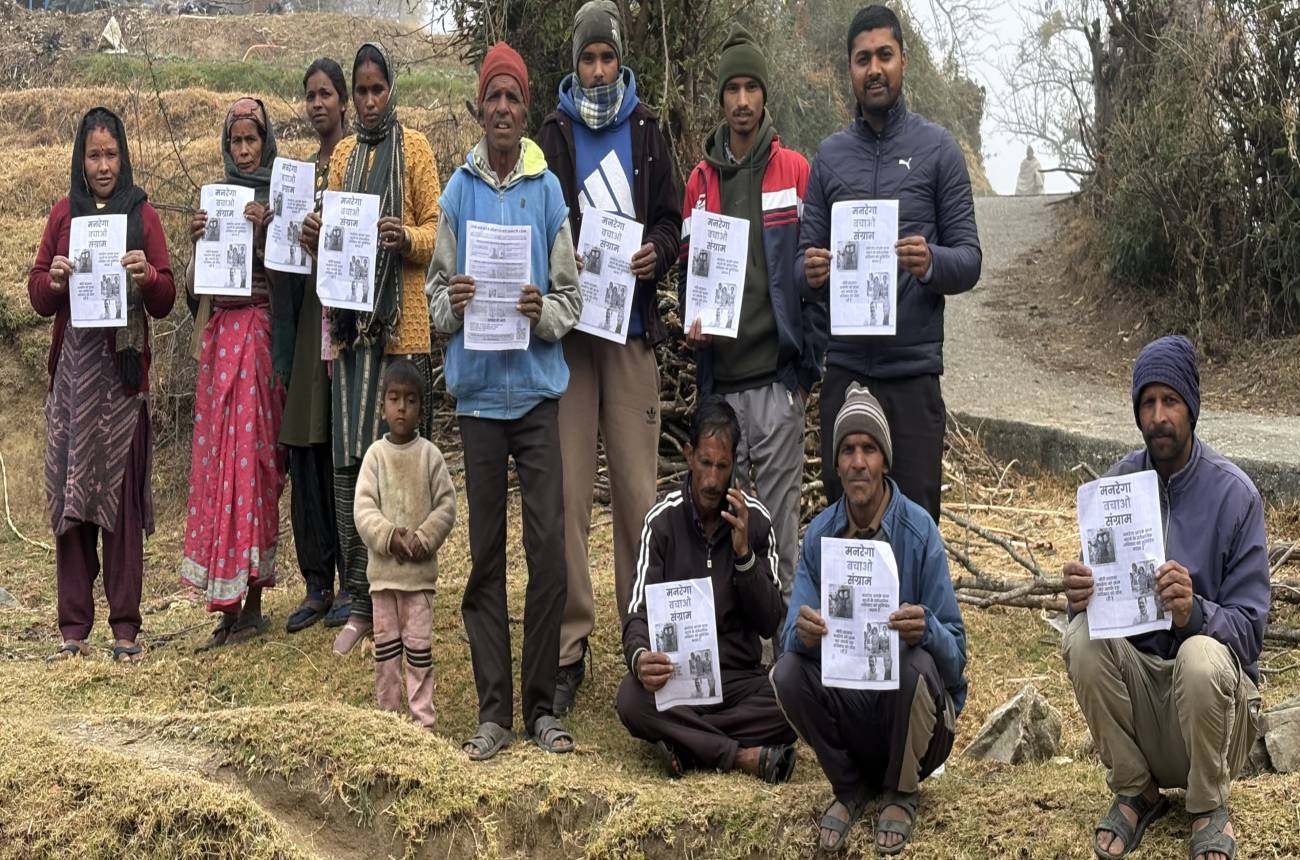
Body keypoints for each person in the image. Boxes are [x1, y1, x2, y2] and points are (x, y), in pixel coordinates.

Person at [427, 42, 583, 760]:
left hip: (538, 397)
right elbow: (434, 299)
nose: (501, 109)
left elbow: (570, 299)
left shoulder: (547, 192)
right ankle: (494, 711)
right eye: (492, 96)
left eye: (512, 98)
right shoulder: (456, 193)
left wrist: (540, 312)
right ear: (479, 106)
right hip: (481, 402)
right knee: (485, 557)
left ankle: (542, 706)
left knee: (548, 553)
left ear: (526, 109)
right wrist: (454, 304)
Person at [1061, 335, 1268, 860]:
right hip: (1143, 706)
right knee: (1081, 637)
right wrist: (1080, 596)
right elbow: (1095, 613)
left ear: (1191, 408)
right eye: (1147, 403)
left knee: (1200, 655)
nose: (1158, 417)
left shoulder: (1235, 495)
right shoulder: (1116, 487)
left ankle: (1208, 806)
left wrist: (1193, 612)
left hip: (1210, 717)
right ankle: (1137, 791)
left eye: (1170, 401)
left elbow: (1250, 633)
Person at [537, 0, 683, 716]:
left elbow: (674, 219)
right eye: (588, 58)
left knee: (637, 494)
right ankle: (570, 646)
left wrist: (658, 251)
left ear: (621, 61)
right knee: (568, 497)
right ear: (575, 63)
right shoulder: (553, 132)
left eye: (607, 57)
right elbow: (538, 218)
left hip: (629, 338)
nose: (598, 70)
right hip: (570, 340)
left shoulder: (648, 129)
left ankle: (640, 640)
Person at [800, 5, 982, 521]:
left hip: (912, 375)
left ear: (904, 60)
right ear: (850, 69)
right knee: (846, 524)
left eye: (884, 55)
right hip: (847, 373)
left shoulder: (939, 150)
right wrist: (810, 273)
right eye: (863, 59)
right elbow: (799, 267)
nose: (874, 69)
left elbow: (969, 259)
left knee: (916, 522)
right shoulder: (829, 157)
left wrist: (930, 262)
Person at [771, 383, 966, 855]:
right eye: (848, 450)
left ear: (885, 461)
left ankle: (900, 792)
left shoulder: (919, 532)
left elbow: (957, 656)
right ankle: (850, 785)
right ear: (836, 465)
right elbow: (788, 636)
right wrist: (803, 632)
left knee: (915, 661)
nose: (859, 462)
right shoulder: (821, 535)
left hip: (917, 725)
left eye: (869, 449)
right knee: (787, 672)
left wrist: (927, 629)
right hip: (853, 714)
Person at [300, 43, 443, 656]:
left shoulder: (416, 150)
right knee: (351, 466)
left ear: (391, 90)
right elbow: (334, 240)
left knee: (400, 470)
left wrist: (404, 237)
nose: (367, 101)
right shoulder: (342, 158)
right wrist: (314, 236)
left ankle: (405, 596)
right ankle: (361, 602)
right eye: (360, 91)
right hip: (349, 336)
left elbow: (438, 231)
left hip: (399, 335)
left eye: (376, 89)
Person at [677, 25, 819, 617]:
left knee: (780, 527)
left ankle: (782, 649)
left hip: (776, 383)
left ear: (764, 95)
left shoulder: (795, 171)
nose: (741, 101)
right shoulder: (699, 182)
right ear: (720, 99)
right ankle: (731, 641)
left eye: (750, 88)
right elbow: (689, 275)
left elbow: (813, 274)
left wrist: (804, 374)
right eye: (731, 89)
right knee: (724, 521)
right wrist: (693, 324)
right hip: (724, 388)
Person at [29, 107, 175, 663]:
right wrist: (54, 280)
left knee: (119, 505)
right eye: (93, 155)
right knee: (72, 500)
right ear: (80, 159)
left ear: (124, 156)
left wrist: (148, 276)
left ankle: (125, 629)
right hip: (72, 384)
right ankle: (73, 630)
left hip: (121, 385)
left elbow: (165, 299)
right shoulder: (64, 214)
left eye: (111, 154)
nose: (103, 166)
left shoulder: (143, 215)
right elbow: (37, 293)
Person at [617, 397, 797, 781]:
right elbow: (637, 613)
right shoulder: (661, 522)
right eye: (705, 463)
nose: (713, 480)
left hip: (739, 679)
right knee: (631, 699)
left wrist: (744, 555)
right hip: (678, 679)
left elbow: (769, 621)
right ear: (688, 455)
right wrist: (640, 657)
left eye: (722, 466)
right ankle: (740, 756)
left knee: (794, 700)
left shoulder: (756, 521)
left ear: (734, 464)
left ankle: (688, 744)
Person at [181, 97, 288, 648]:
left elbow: (295, 276)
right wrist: (198, 242)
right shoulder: (216, 200)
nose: (244, 151)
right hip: (220, 338)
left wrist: (269, 232)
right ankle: (224, 605)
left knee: (256, 466)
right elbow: (194, 290)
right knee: (220, 463)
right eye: (236, 141)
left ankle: (253, 602)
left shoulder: (280, 198)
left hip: (261, 336)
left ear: (265, 144)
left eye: (252, 140)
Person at [353, 361, 457, 730]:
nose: (402, 408)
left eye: (410, 400)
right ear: (381, 408)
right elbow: (363, 509)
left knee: (418, 651)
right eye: (394, 399)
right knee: (386, 653)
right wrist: (389, 536)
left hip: (419, 581)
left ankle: (422, 722)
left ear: (421, 409)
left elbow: (446, 505)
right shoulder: (375, 457)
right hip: (383, 579)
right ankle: (389, 721)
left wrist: (424, 538)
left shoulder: (430, 455)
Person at [283, 57, 349, 634]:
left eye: (326, 93)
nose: (317, 104)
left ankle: (354, 579)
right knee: (308, 443)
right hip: (310, 320)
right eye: (310, 95)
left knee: (342, 446)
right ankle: (315, 582)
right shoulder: (301, 176)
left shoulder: (359, 165)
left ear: (344, 101)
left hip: (347, 321)